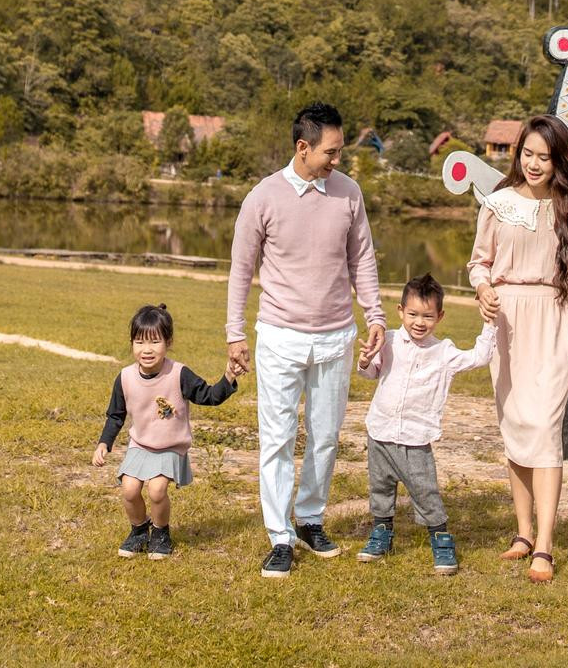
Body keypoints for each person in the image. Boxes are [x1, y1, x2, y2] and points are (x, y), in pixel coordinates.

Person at [226, 100, 386, 578]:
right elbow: (240, 270)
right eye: (331, 152)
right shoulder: (262, 197)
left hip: (336, 336)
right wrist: (235, 333)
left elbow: (363, 260)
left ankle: (311, 519)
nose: (338, 161)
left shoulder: (349, 193)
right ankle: (279, 536)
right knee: (276, 439)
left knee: (325, 437)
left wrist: (374, 314)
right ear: (303, 147)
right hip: (279, 336)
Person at [467, 113, 568, 584]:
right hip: (507, 320)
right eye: (527, 154)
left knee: (544, 428)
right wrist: (483, 289)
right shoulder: (497, 204)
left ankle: (545, 543)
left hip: (556, 318)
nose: (534, 164)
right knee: (516, 425)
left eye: (544, 157)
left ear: (559, 160)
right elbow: (478, 263)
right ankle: (522, 534)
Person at [356, 271, 496, 576]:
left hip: (415, 439)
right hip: (379, 431)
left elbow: (480, 357)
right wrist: (366, 361)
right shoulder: (389, 340)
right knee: (380, 488)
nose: (419, 322)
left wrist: (489, 322)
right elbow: (370, 373)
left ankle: (441, 538)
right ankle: (382, 534)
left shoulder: (443, 352)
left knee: (424, 490)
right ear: (401, 312)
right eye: (413, 314)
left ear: (440, 316)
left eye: (428, 316)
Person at [92, 302, 237, 559]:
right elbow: (116, 414)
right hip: (141, 445)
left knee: (157, 490)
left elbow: (209, 396)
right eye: (139, 342)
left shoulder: (178, 373)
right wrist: (105, 443)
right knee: (129, 489)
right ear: (131, 343)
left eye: (154, 342)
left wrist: (228, 377)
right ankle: (139, 530)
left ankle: (160, 533)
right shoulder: (124, 377)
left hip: (171, 446)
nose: (146, 349)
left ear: (167, 342)